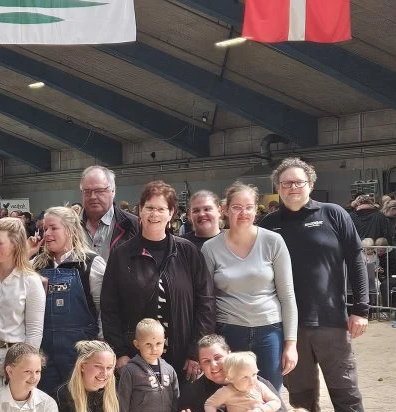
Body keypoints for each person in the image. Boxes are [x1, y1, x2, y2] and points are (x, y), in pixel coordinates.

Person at [259, 158, 395, 412]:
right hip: (291, 328)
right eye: (286, 183)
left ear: (310, 185)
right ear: (278, 188)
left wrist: (360, 308)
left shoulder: (334, 214)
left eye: (298, 182)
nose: (293, 187)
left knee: (347, 397)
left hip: (332, 323)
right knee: (304, 402)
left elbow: (356, 260)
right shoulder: (269, 224)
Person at [102, 180, 215, 381]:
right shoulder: (122, 255)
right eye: (149, 208)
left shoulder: (188, 252)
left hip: (182, 357)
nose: (154, 214)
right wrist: (119, 352)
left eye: (161, 209)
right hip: (136, 357)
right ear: (140, 211)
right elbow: (110, 307)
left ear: (171, 213)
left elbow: (205, 303)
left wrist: (195, 351)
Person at [201, 181, 298, 394]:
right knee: (234, 395)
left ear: (256, 209)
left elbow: (287, 295)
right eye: (236, 207)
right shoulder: (210, 248)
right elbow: (206, 299)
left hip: (270, 331)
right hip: (229, 330)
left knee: (270, 394)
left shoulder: (274, 242)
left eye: (249, 207)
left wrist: (291, 343)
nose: (243, 212)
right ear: (225, 210)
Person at [34, 206, 104, 396]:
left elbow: (104, 312)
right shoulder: (35, 266)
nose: (46, 233)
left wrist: (100, 351)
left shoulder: (91, 264)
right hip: (44, 355)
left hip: (81, 354)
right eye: (43, 229)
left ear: (71, 230)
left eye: (53, 228)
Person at [0, 216, 44, 363]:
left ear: (15, 244)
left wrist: (25, 366)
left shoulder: (31, 280)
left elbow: (34, 331)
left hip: (14, 358)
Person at [79, 165, 140, 261]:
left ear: (113, 191)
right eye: (87, 191)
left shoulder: (133, 225)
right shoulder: (69, 225)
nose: (93, 196)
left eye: (99, 191)